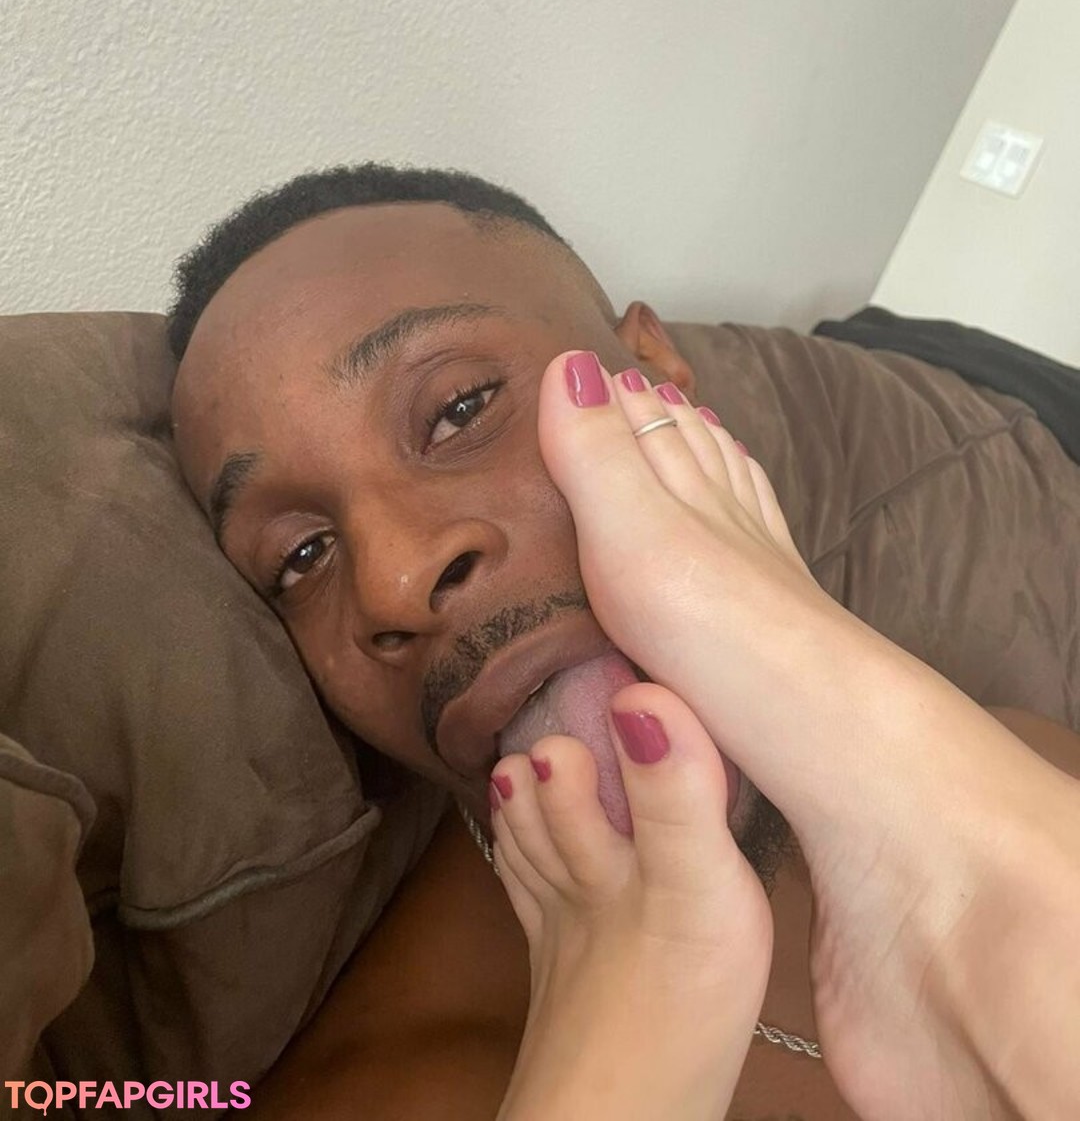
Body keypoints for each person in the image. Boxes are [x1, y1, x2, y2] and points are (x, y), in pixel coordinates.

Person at [168, 164, 1080, 1119]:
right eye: (301, 555)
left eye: (460, 409)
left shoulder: (1024, 751)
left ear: (652, 367)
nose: (392, 579)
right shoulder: (388, 1092)